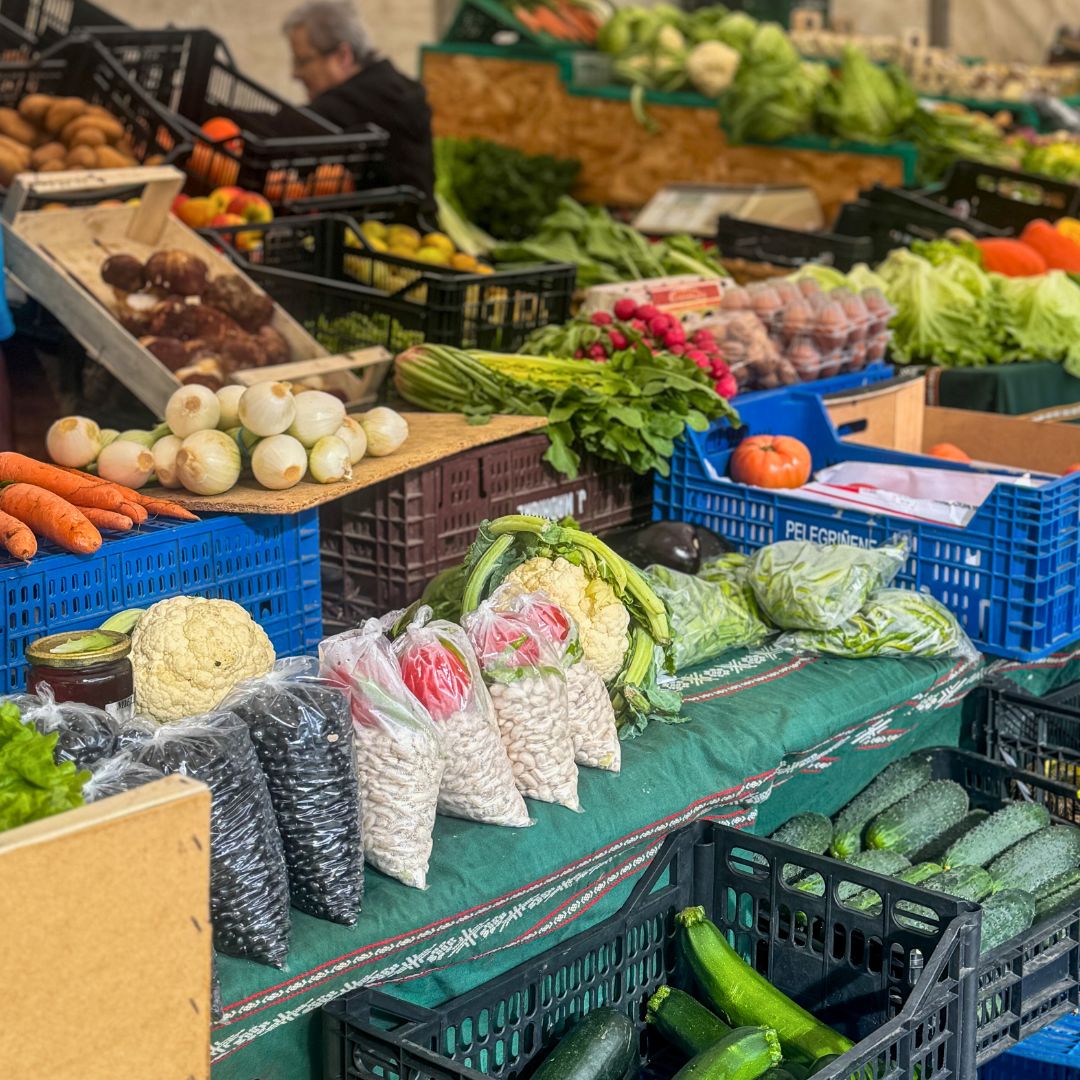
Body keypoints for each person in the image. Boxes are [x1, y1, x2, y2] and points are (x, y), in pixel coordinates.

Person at [283, 1, 435, 202]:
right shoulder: (387, 85)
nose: (295, 74)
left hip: (397, 230)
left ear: (343, 56)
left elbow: (287, 127)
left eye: (302, 61)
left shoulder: (372, 97)